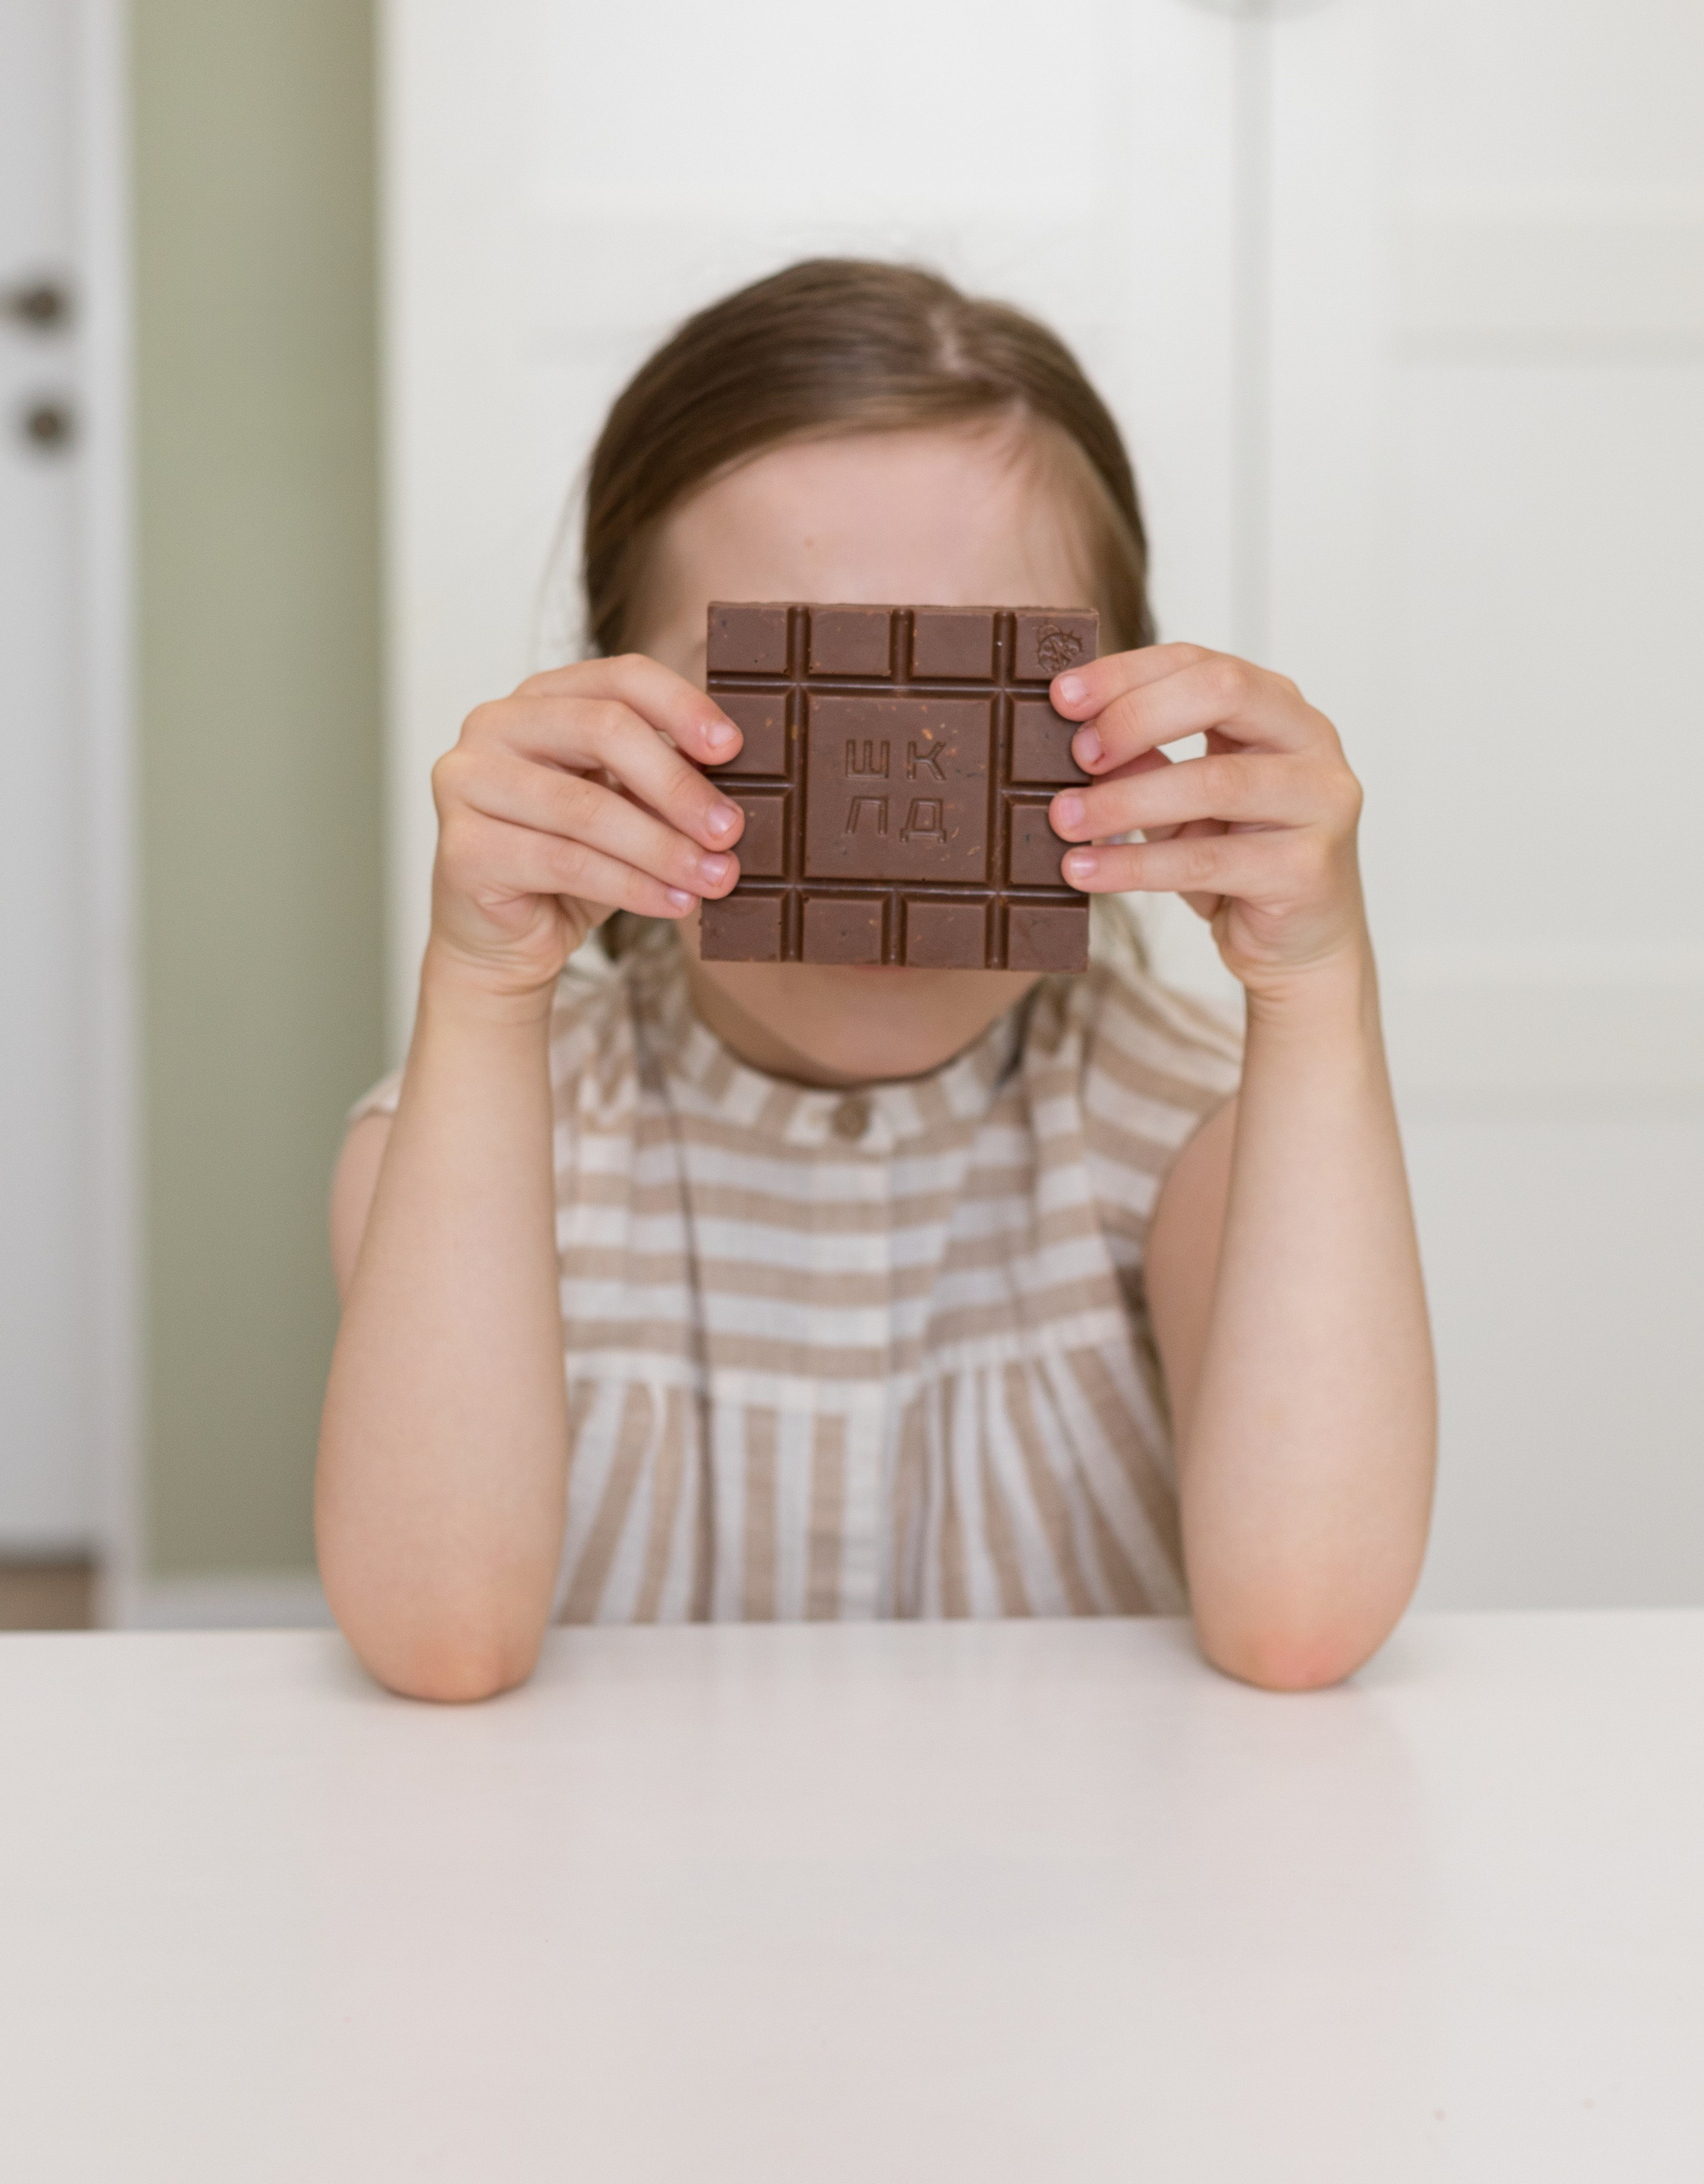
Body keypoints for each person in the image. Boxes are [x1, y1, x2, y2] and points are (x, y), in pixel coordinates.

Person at [319, 260, 1435, 1702]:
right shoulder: (460, 1137)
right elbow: (437, 1642)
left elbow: (1303, 1620)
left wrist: (1316, 987)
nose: (881, 795)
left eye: (976, 704)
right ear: (604, 719)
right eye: (791, 692)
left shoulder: (1190, 1126)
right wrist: (482, 984)